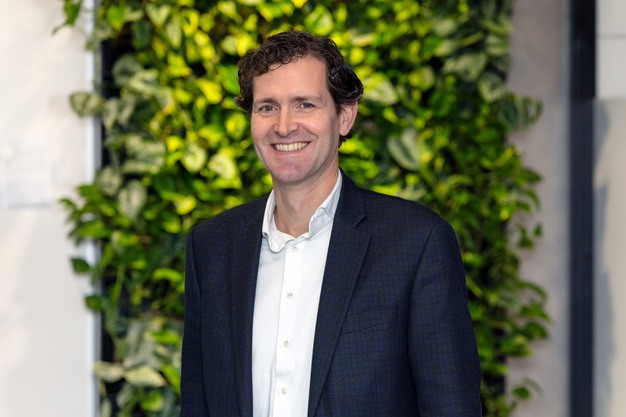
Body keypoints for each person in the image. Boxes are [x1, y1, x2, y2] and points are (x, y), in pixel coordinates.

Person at [180, 30, 482, 417]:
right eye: (267, 107)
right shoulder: (211, 248)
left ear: (344, 116)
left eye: (305, 104)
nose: (284, 126)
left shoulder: (416, 243)